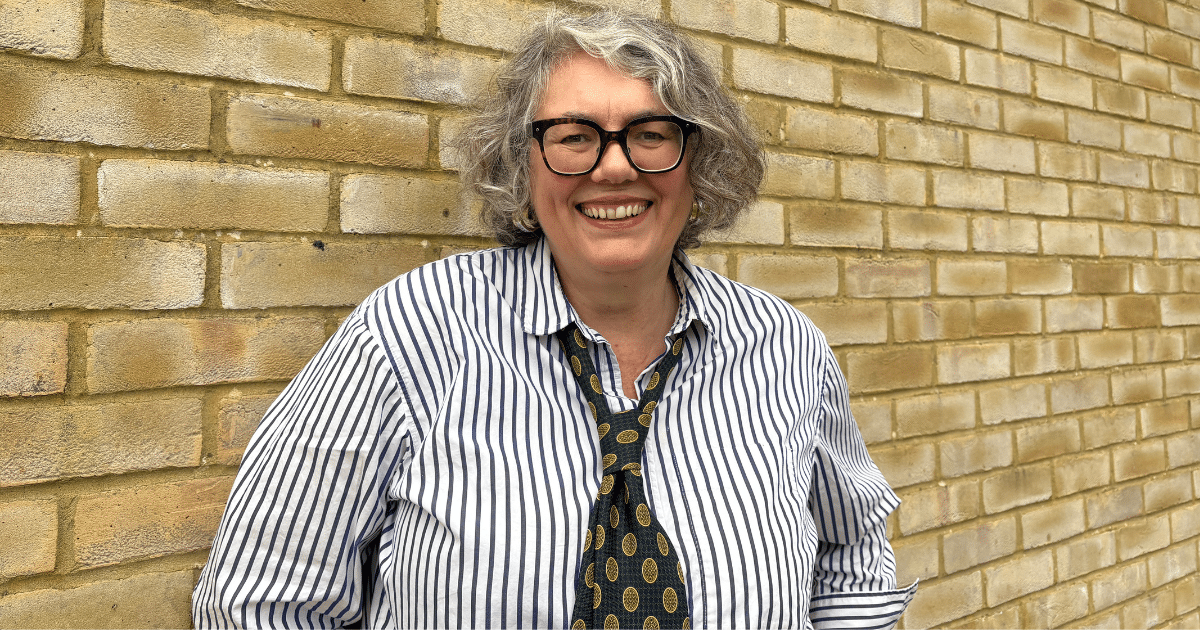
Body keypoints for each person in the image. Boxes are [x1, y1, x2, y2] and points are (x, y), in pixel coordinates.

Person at [193, 9, 916, 629]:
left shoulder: (785, 348)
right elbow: (261, 602)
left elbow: (851, 554)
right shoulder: (408, 334)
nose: (614, 168)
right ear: (522, 165)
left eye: (651, 133)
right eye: (573, 136)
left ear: (698, 161)